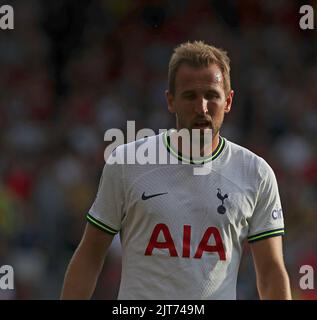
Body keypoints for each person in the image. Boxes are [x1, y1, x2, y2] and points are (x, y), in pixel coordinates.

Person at [61, 41, 292, 300]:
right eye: (190, 96)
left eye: (212, 95)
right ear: (170, 101)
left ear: (228, 101)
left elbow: (271, 271)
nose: (202, 108)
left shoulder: (256, 173)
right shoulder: (127, 162)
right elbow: (90, 255)